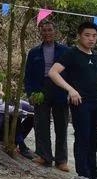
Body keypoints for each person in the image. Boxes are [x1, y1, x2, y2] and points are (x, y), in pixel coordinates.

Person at [49, 21, 97, 179]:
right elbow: (53, 73)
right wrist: (71, 90)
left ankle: (94, 175)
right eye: (87, 35)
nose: (91, 39)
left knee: (94, 140)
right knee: (82, 138)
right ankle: (83, 177)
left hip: (96, 102)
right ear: (79, 36)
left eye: (94, 36)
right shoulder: (71, 54)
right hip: (80, 102)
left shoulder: (96, 57)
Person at [25, 20, 71, 171]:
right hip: (40, 89)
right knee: (41, 123)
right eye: (44, 31)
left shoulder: (65, 51)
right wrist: (30, 93)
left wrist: (70, 90)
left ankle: (61, 160)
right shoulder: (34, 52)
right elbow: (28, 75)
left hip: (59, 88)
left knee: (61, 124)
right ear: (40, 32)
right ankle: (44, 156)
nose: (47, 33)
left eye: (50, 30)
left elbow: (71, 73)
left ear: (55, 31)